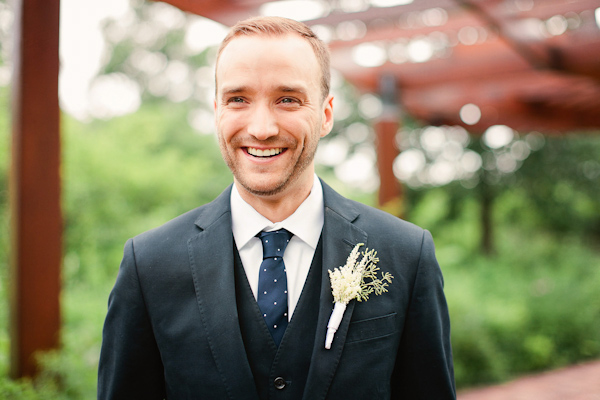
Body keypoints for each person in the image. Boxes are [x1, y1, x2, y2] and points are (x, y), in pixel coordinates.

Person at [98, 16, 455, 400]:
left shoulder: (406, 254)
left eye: (287, 99)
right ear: (216, 110)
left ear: (326, 115)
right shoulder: (148, 265)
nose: (262, 128)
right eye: (238, 99)